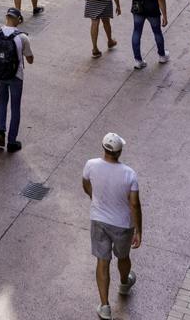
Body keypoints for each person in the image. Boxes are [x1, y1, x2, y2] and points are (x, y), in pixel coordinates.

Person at [83, 133, 142, 320]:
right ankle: (124, 283)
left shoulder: (90, 165)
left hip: (99, 220)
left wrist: (95, 198)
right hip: (123, 224)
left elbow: (86, 184)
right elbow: (134, 204)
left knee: (102, 261)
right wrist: (139, 230)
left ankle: (105, 306)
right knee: (123, 257)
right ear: (119, 151)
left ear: (103, 148)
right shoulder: (129, 174)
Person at [0, 7, 34, 153]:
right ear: (18, 20)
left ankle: (1, 130)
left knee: (2, 100)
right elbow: (30, 59)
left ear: (6, 17)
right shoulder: (22, 37)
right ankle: (12, 141)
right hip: (16, 76)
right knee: (15, 106)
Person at [124, 0, 168, 69]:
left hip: (138, 9)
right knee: (157, 32)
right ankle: (162, 56)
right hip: (152, 10)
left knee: (137, 32)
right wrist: (164, 15)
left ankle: (138, 60)